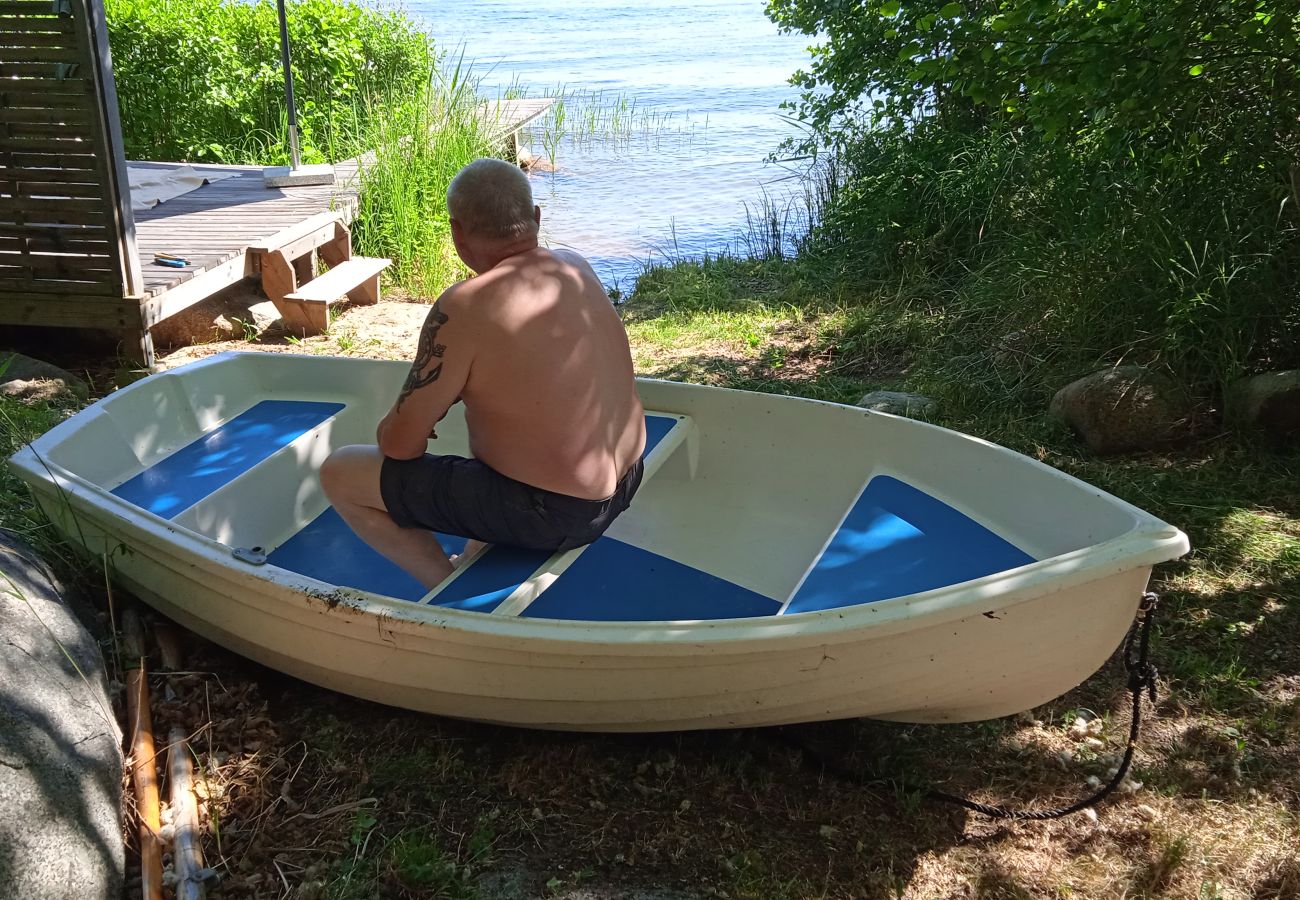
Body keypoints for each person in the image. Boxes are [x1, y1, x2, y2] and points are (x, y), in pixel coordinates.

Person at [320, 158, 646, 589]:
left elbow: (399, 447)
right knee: (497, 428)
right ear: (535, 218)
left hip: (557, 513)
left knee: (340, 472)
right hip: (627, 481)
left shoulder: (465, 306)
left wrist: (399, 426)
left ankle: (444, 585)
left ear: (457, 232)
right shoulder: (573, 264)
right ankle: (478, 548)